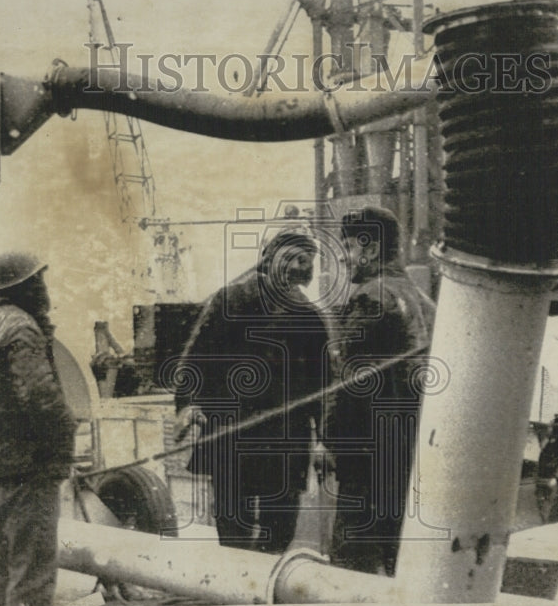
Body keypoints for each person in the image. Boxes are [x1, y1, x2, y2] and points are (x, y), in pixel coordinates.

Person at [173, 227, 330, 553]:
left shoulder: (310, 318)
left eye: (308, 260)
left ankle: (265, 588)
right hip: (233, 433)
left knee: (280, 527)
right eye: (295, 257)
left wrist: (325, 440)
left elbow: (322, 386)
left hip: (287, 437)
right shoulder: (231, 300)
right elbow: (195, 359)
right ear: (271, 257)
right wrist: (188, 406)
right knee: (233, 525)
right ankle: (237, 587)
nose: (302, 267)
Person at [322, 206, 436, 576]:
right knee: (401, 557)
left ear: (369, 249)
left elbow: (348, 382)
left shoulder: (370, 298)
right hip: (413, 451)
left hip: (367, 457)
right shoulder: (425, 301)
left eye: (347, 248)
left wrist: (328, 442)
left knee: (351, 563)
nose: (343, 258)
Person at [0, 252, 77, 606]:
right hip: (28, 475)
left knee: (1, 568)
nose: (45, 289)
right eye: (39, 281)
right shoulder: (21, 329)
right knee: (31, 579)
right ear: (25, 287)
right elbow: (42, 401)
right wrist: (61, 451)